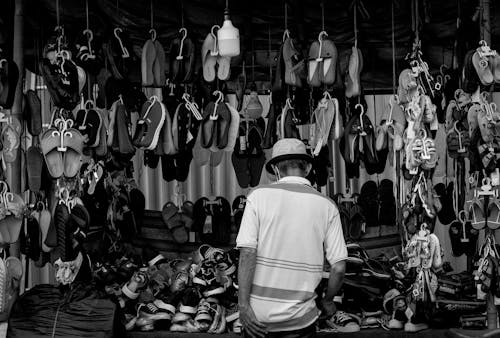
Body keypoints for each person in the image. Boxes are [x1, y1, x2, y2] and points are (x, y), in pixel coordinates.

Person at [236, 138, 347, 338]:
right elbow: (339, 268)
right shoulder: (327, 206)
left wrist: (243, 307)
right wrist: (328, 300)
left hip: (258, 321)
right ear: (308, 168)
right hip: (301, 319)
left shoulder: (257, 197)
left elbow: (247, 254)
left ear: (276, 170)